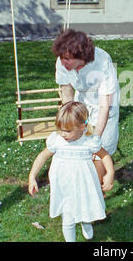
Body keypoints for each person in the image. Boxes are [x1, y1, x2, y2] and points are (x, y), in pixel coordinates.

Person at [28, 101, 115, 242]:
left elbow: (104, 156)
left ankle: (85, 221)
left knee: (84, 206)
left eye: (67, 131)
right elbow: (42, 156)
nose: (63, 134)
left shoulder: (89, 142)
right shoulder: (56, 141)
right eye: (60, 129)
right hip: (64, 186)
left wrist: (109, 174)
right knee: (68, 215)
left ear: (83, 126)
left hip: (84, 184)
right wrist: (32, 176)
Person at [52, 29, 120, 182]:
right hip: (82, 100)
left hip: (106, 104)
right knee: (79, 142)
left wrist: (96, 137)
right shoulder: (62, 62)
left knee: (100, 148)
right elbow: (67, 92)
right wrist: (70, 119)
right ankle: (81, 181)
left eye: (68, 59)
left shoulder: (102, 61)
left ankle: (98, 188)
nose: (63, 63)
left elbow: (104, 106)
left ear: (81, 56)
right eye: (62, 58)